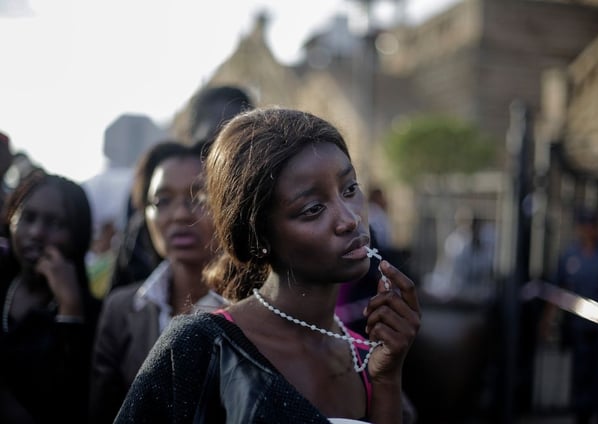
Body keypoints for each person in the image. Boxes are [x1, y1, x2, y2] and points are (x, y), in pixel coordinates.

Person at [115, 107, 421, 423]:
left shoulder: (365, 356)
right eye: (313, 208)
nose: (349, 219)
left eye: (350, 189)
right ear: (258, 235)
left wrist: (386, 380)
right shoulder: (202, 347)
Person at [89, 141, 228, 424]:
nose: (179, 214)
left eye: (199, 197)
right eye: (162, 200)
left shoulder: (255, 309)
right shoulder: (121, 310)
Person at [108, 85, 254, 293]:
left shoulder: (263, 215)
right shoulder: (143, 229)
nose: (180, 215)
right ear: (191, 138)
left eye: (238, 144)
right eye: (213, 143)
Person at [0, 170, 101, 424]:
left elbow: (71, 401)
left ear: (77, 236)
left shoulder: (94, 314)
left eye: (55, 224)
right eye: (28, 218)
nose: (36, 233)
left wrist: (70, 309)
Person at [544, 207, 598, 424]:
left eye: (592, 225)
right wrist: (546, 320)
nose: (588, 230)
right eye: (584, 225)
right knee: (582, 373)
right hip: (580, 327)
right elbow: (558, 289)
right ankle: (582, 413)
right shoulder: (570, 256)